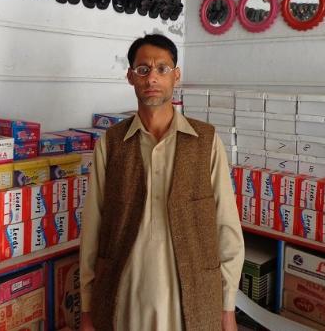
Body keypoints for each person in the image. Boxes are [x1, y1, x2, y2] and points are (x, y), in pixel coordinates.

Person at [80, 34, 244, 331]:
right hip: (124, 297)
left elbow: (227, 226)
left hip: (193, 297)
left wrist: (227, 305)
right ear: (130, 77)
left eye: (162, 69)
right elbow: (92, 228)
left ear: (176, 76)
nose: (152, 77)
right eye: (143, 69)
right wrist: (88, 308)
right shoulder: (111, 144)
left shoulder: (205, 141)